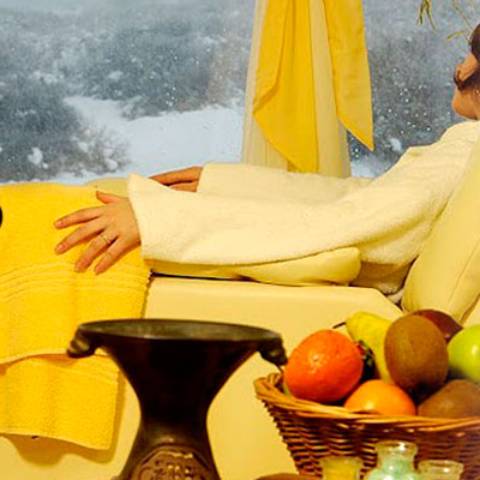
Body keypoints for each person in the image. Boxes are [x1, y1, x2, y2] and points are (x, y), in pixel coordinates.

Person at [54, 24, 480, 279]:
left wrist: (159, 221)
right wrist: (221, 186)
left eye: (470, 54)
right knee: (96, 194)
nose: (459, 67)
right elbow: (363, 199)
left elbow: (348, 224)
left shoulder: (466, 152)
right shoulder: (463, 149)